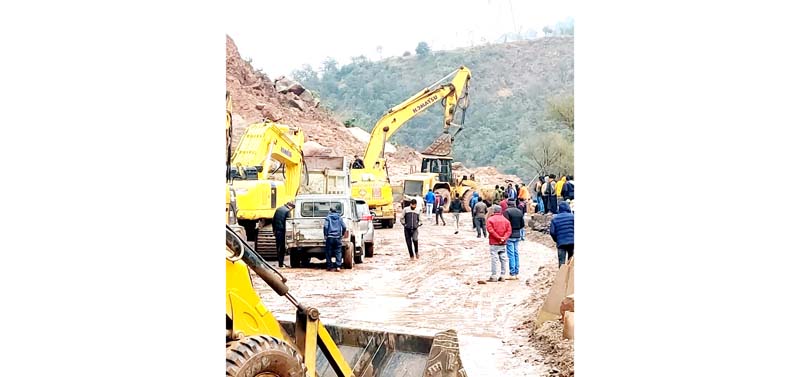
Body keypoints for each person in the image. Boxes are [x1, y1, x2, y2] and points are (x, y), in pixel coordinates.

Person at [486, 204, 511, 282]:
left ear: (494, 211)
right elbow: (509, 231)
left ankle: (494, 276)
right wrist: (503, 238)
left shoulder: (490, 220)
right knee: (503, 258)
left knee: (494, 259)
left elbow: (490, 231)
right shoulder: (506, 221)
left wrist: (498, 238)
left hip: (494, 242)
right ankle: (503, 275)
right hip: (503, 243)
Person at [503, 199, 525, 280]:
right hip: (517, 234)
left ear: (507, 204)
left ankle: (512, 273)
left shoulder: (506, 212)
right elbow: (522, 224)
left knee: (511, 254)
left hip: (510, 235)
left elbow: (505, 224)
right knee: (516, 253)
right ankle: (517, 272)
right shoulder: (519, 211)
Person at [550, 202, 575, 267]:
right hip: (572, 242)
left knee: (561, 262)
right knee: (572, 260)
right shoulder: (573, 217)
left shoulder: (554, 218)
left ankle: (562, 276)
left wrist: (557, 239)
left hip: (561, 243)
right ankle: (571, 275)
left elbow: (552, 232)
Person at [323, 207, 347, 272]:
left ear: (330, 211)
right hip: (338, 237)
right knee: (338, 252)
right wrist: (342, 234)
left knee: (328, 252)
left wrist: (325, 234)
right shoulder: (339, 218)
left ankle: (329, 266)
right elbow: (344, 227)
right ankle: (338, 266)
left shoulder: (328, 218)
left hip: (330, 237)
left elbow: (325, 226)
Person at [272, 201, 294, 268]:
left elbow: (273, 220)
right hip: (283, 231)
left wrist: (274, 230)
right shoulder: (287, 211)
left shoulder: (278, 209)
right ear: (290, 206)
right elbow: (288, 223)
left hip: (277, 231)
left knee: (278, 247)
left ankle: (280, 263)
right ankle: (281, 264)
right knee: (282, 248)